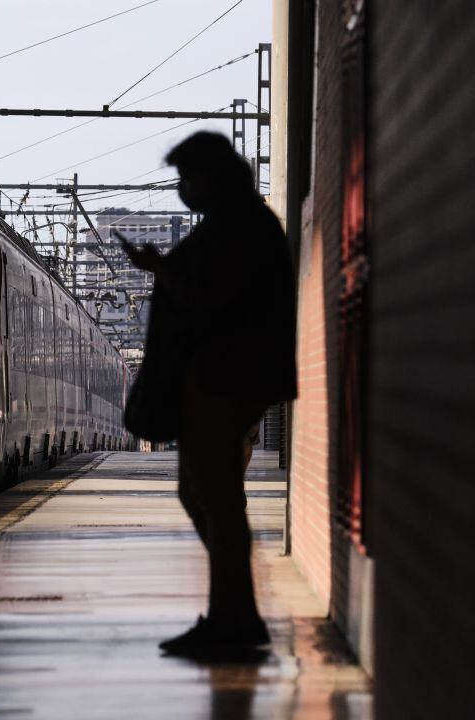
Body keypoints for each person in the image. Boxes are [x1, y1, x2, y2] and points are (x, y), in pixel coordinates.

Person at [120, 131, 297, 654]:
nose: (183, 189)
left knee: (214, 498)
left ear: (213, 176)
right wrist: (163, 268)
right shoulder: (238, 223)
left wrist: (160, 270)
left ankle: (234, 619)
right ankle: (234, 612)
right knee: (207, 496)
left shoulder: (239, 226)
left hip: (225, 377)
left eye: (187, 178)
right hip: (221, 377)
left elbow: (208, 296)